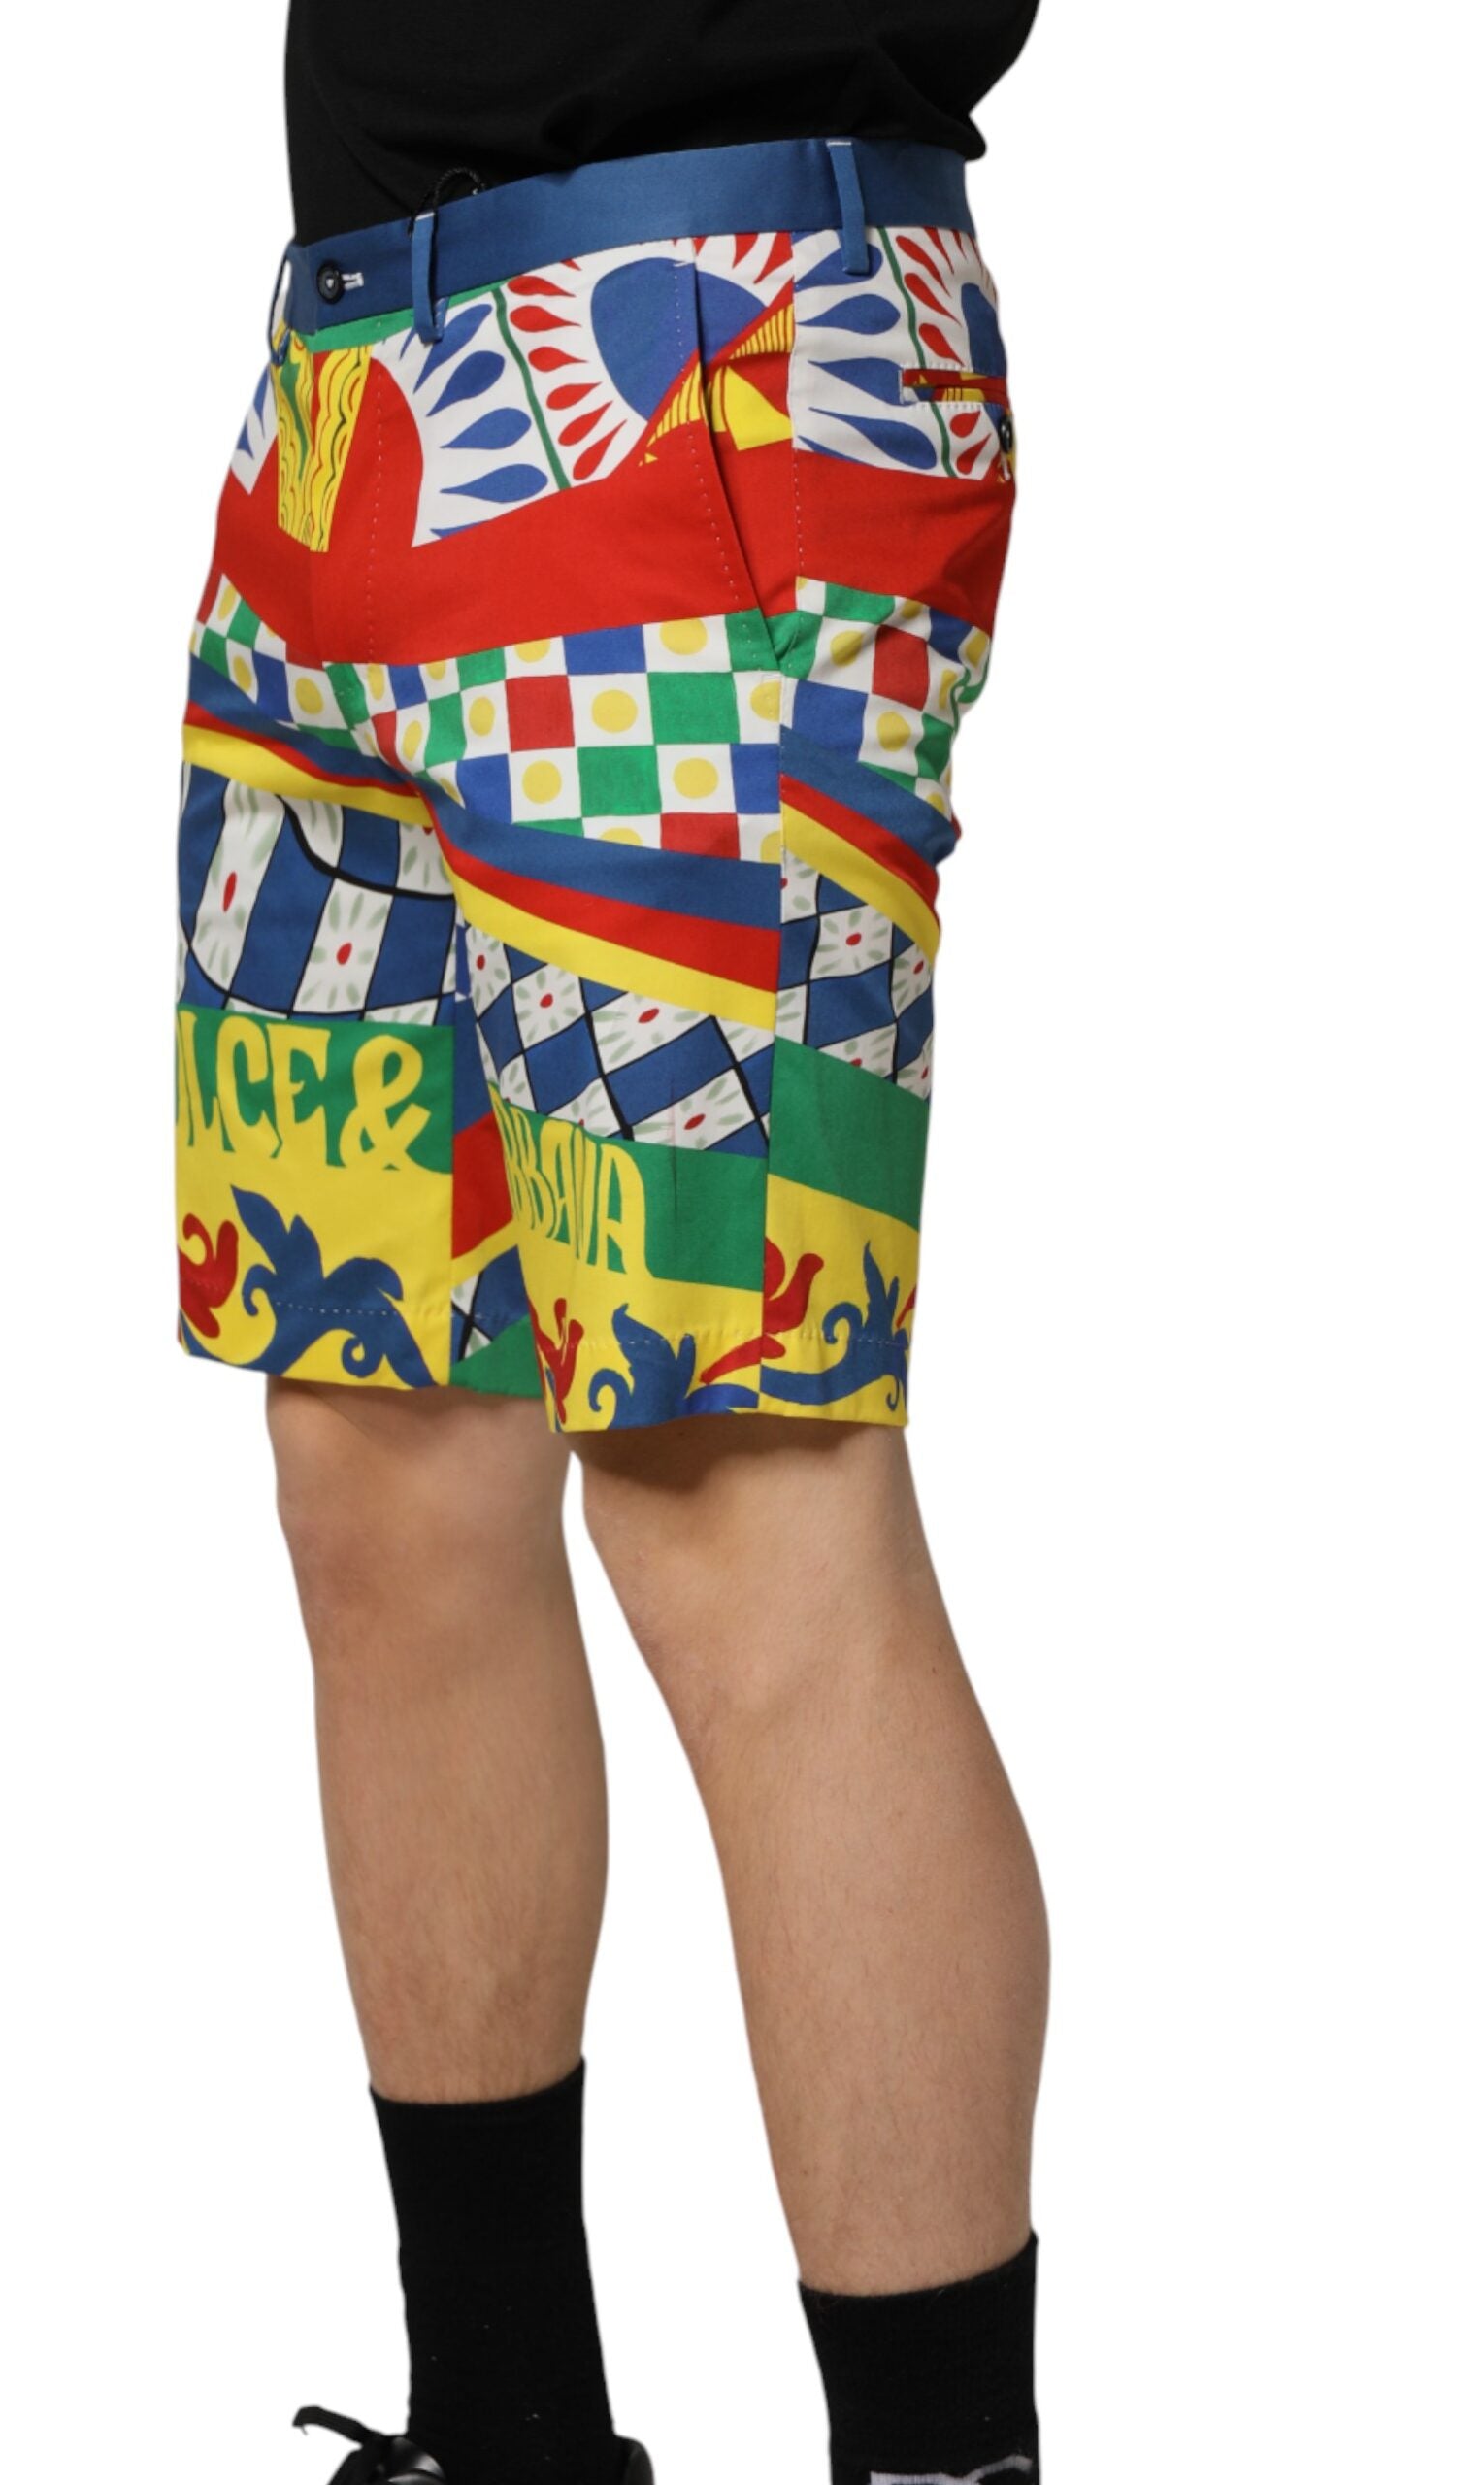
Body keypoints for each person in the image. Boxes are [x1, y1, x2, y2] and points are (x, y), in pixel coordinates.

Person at [173, 7, 1046, 2479]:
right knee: (377, 1445)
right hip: (354, 363)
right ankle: (509, 2438)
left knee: (737, 1486)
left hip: (703, 344)